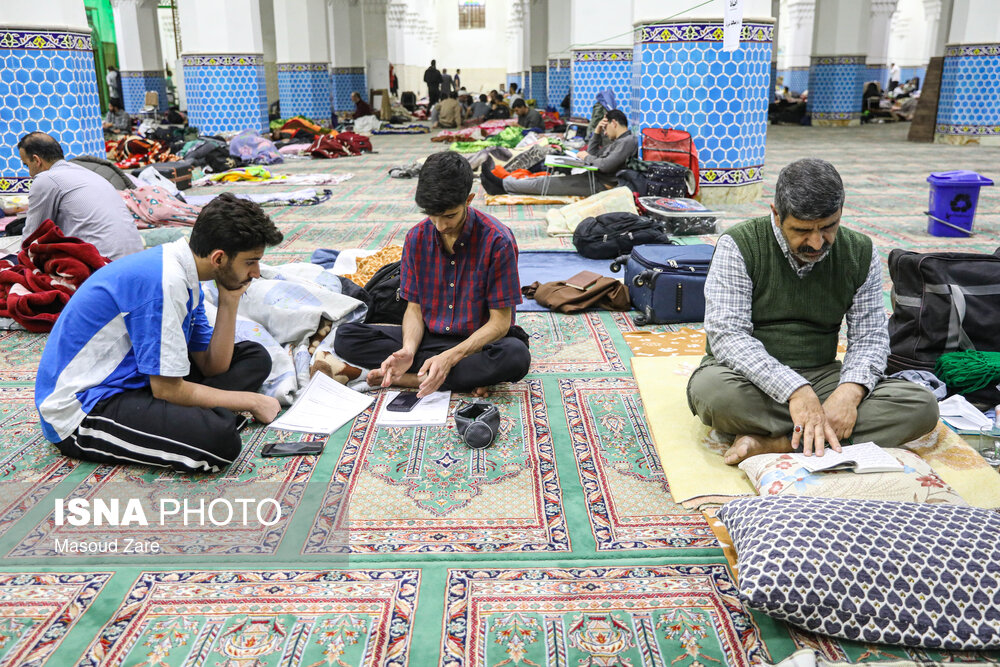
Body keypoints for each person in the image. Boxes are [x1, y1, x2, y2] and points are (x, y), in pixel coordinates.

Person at [686, 158, 939, 466]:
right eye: (802, 230)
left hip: (822, 376)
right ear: (776, 214)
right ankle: (824, 432)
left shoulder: (860, 252)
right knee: (714, 395)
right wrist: (795, 391)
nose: (817, 243)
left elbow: (870, 337)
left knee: (921, 406)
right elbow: (728, 337)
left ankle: (777, 442)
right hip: (747, 379)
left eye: (828, 227)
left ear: (841, 211)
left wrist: (848, 393)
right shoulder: (739, 245)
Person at [35, 193, 285, 473]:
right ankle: (204, 421)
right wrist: (251, 401)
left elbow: (212, 366)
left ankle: (196, 418)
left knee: (254, 356)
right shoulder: (166, 283)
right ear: (219, 258)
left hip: (139, 381)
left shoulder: (186, 271)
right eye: (250, 262)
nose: (256, 272)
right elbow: (167, 389)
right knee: (220, 441)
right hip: (86, 406)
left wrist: (229, 300)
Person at [334, 151, 530, 398]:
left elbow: (500, 323)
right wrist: (408, 350)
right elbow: (414, 309)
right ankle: (453, 375)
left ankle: (412, 378)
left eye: (449, 216)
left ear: (468, 200)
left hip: (477, 342)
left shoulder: (498, 241)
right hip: (430, 339)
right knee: (346, 337)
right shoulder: (417, 238)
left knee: (515, 355)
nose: (440, 226)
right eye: (431, 215)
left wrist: (451, 357)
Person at [17, 132, 143, 260]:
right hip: (135, 257)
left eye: (27, 165)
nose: (30, 173)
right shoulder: (85, 172)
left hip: (104, 263)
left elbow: (31, 237)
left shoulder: (46, 178)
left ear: (37, 160)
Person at [486, 109, 635, 197]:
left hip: (602, 185)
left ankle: (502, 185)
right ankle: (503, 185)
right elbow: (594, 154)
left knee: (547, 184)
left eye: (605, 128)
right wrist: (596, 132)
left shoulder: (628, 141)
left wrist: (586, 157)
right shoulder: (619, 141)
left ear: (613, 123)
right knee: (547, 180)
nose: (605, 132)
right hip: (594, 179)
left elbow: (605, 165)